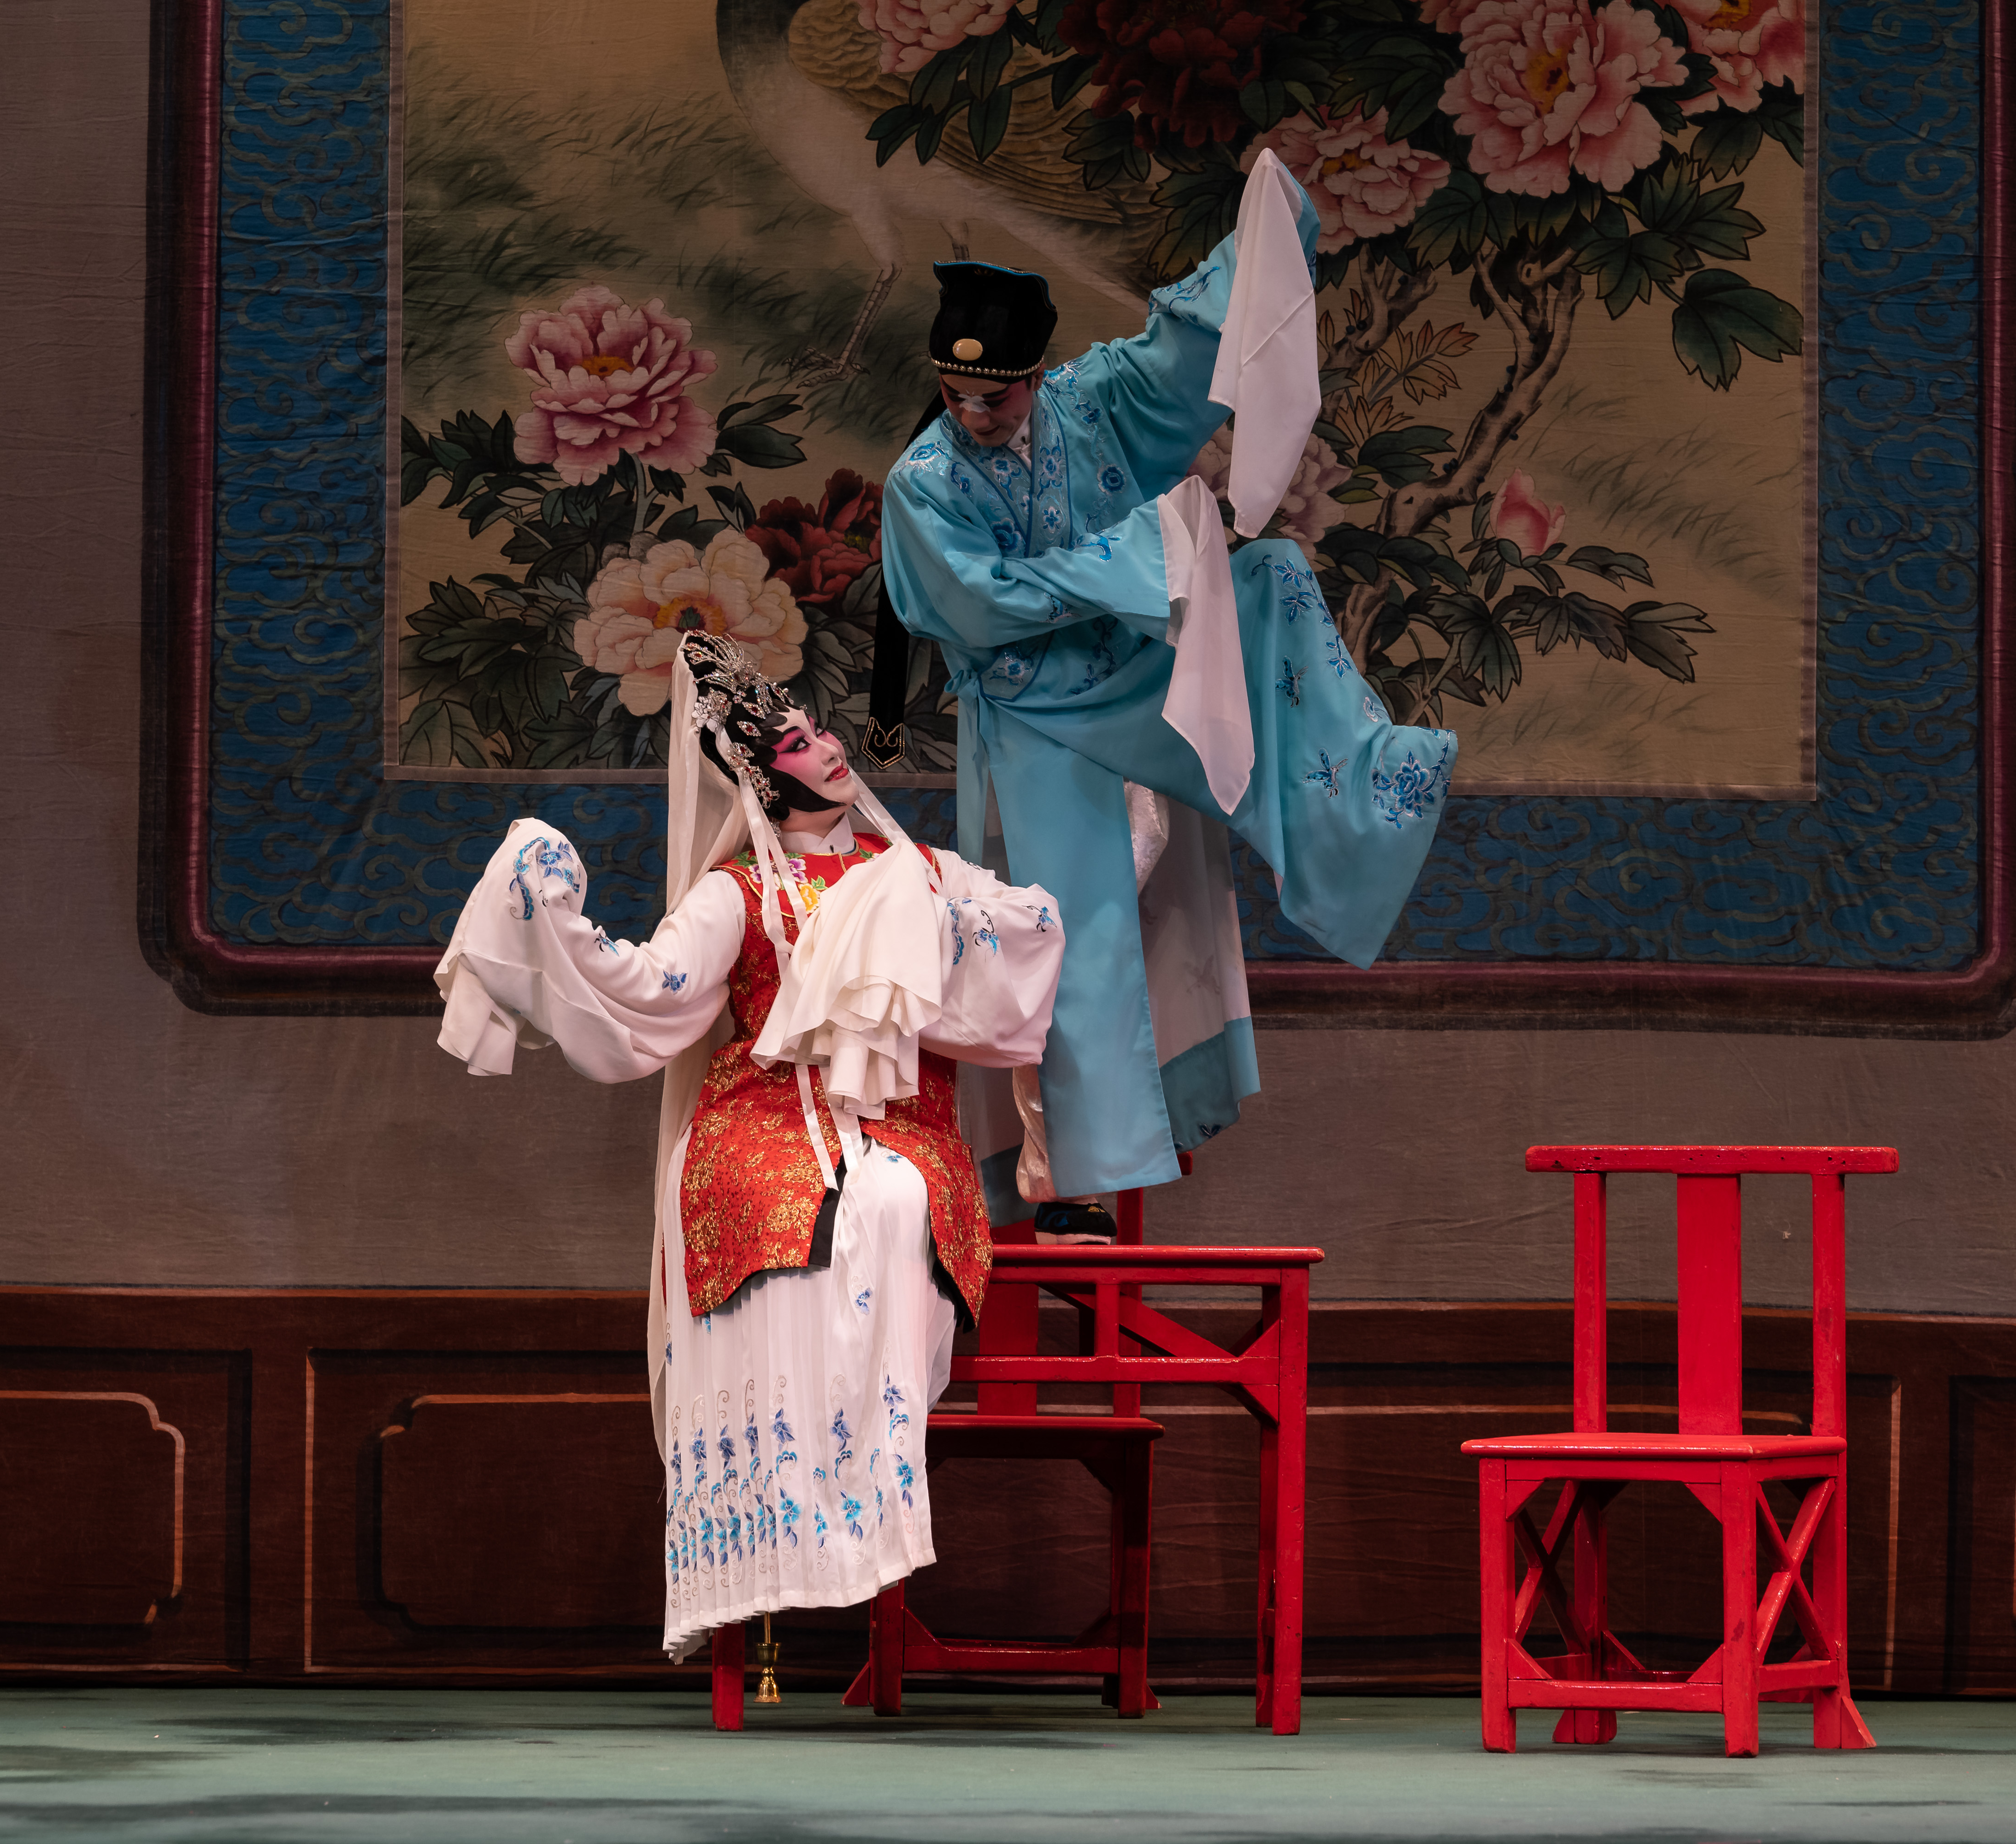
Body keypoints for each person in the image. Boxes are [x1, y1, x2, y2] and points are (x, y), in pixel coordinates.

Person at [433, 632, 1064, 1661]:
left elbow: (1016, 941)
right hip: (761, 1112)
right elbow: (654, 988)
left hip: (897, 1119)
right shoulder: (737, 892)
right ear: (767, 778)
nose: (832, 748)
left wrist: (928, 922)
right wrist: (550, 913)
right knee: (789, 1205)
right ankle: (771, 1528)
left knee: (890, 1201)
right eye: (804, 742)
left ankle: (864, 1502)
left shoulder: (915, 870)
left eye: (822, 732)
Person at [878, 160, 1457, 1221]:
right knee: (1073, 931)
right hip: (1035, 713)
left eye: (996, 393)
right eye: (956, 394)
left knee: (1269, 578)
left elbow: (1182, 354)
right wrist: (1141, 557)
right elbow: (972, 600)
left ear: (1037, 372)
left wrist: (1263, 236)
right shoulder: (924, 482)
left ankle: (1365, 795)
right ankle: (1075, 1178)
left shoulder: (1092, 400)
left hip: (1136, 663)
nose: (973, 412)